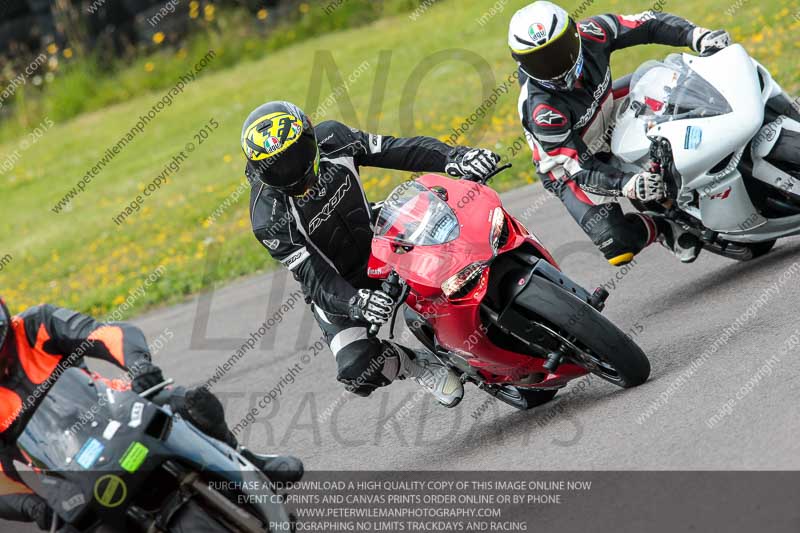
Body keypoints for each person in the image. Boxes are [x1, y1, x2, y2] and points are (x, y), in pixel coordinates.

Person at [243, 101, 501, 407]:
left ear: (310, 139)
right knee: (356, 370)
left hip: (383, 238)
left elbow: (398, 149)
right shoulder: (267, 218)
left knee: (466, 237)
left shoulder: (333, 139)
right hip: (343, 285)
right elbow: (315, 278)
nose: (290, 172)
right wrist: (356, 302)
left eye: (294, 157)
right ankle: (415, 364)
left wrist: (456, 158)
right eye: (276, 167)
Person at [0, 298, 301, 530]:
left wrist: (140, 367)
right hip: (71, 477)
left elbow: (108, 334)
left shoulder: (35, 324)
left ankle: (248, 460)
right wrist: (32, 506)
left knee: (192, 402)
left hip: (121, 413)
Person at [508, 1, 738, 265]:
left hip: (607, 107)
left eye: (559, 51)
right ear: (521, 63)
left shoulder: (593, 31)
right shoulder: (541, 110)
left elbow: (648, 23)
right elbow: (580, 169)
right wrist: (626, 184)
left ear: (574, 33)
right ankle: (661, 226)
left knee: (675, 83)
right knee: (617, 245)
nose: (555, 67)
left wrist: (697, 36)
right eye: (539, 61)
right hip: (571, 163)